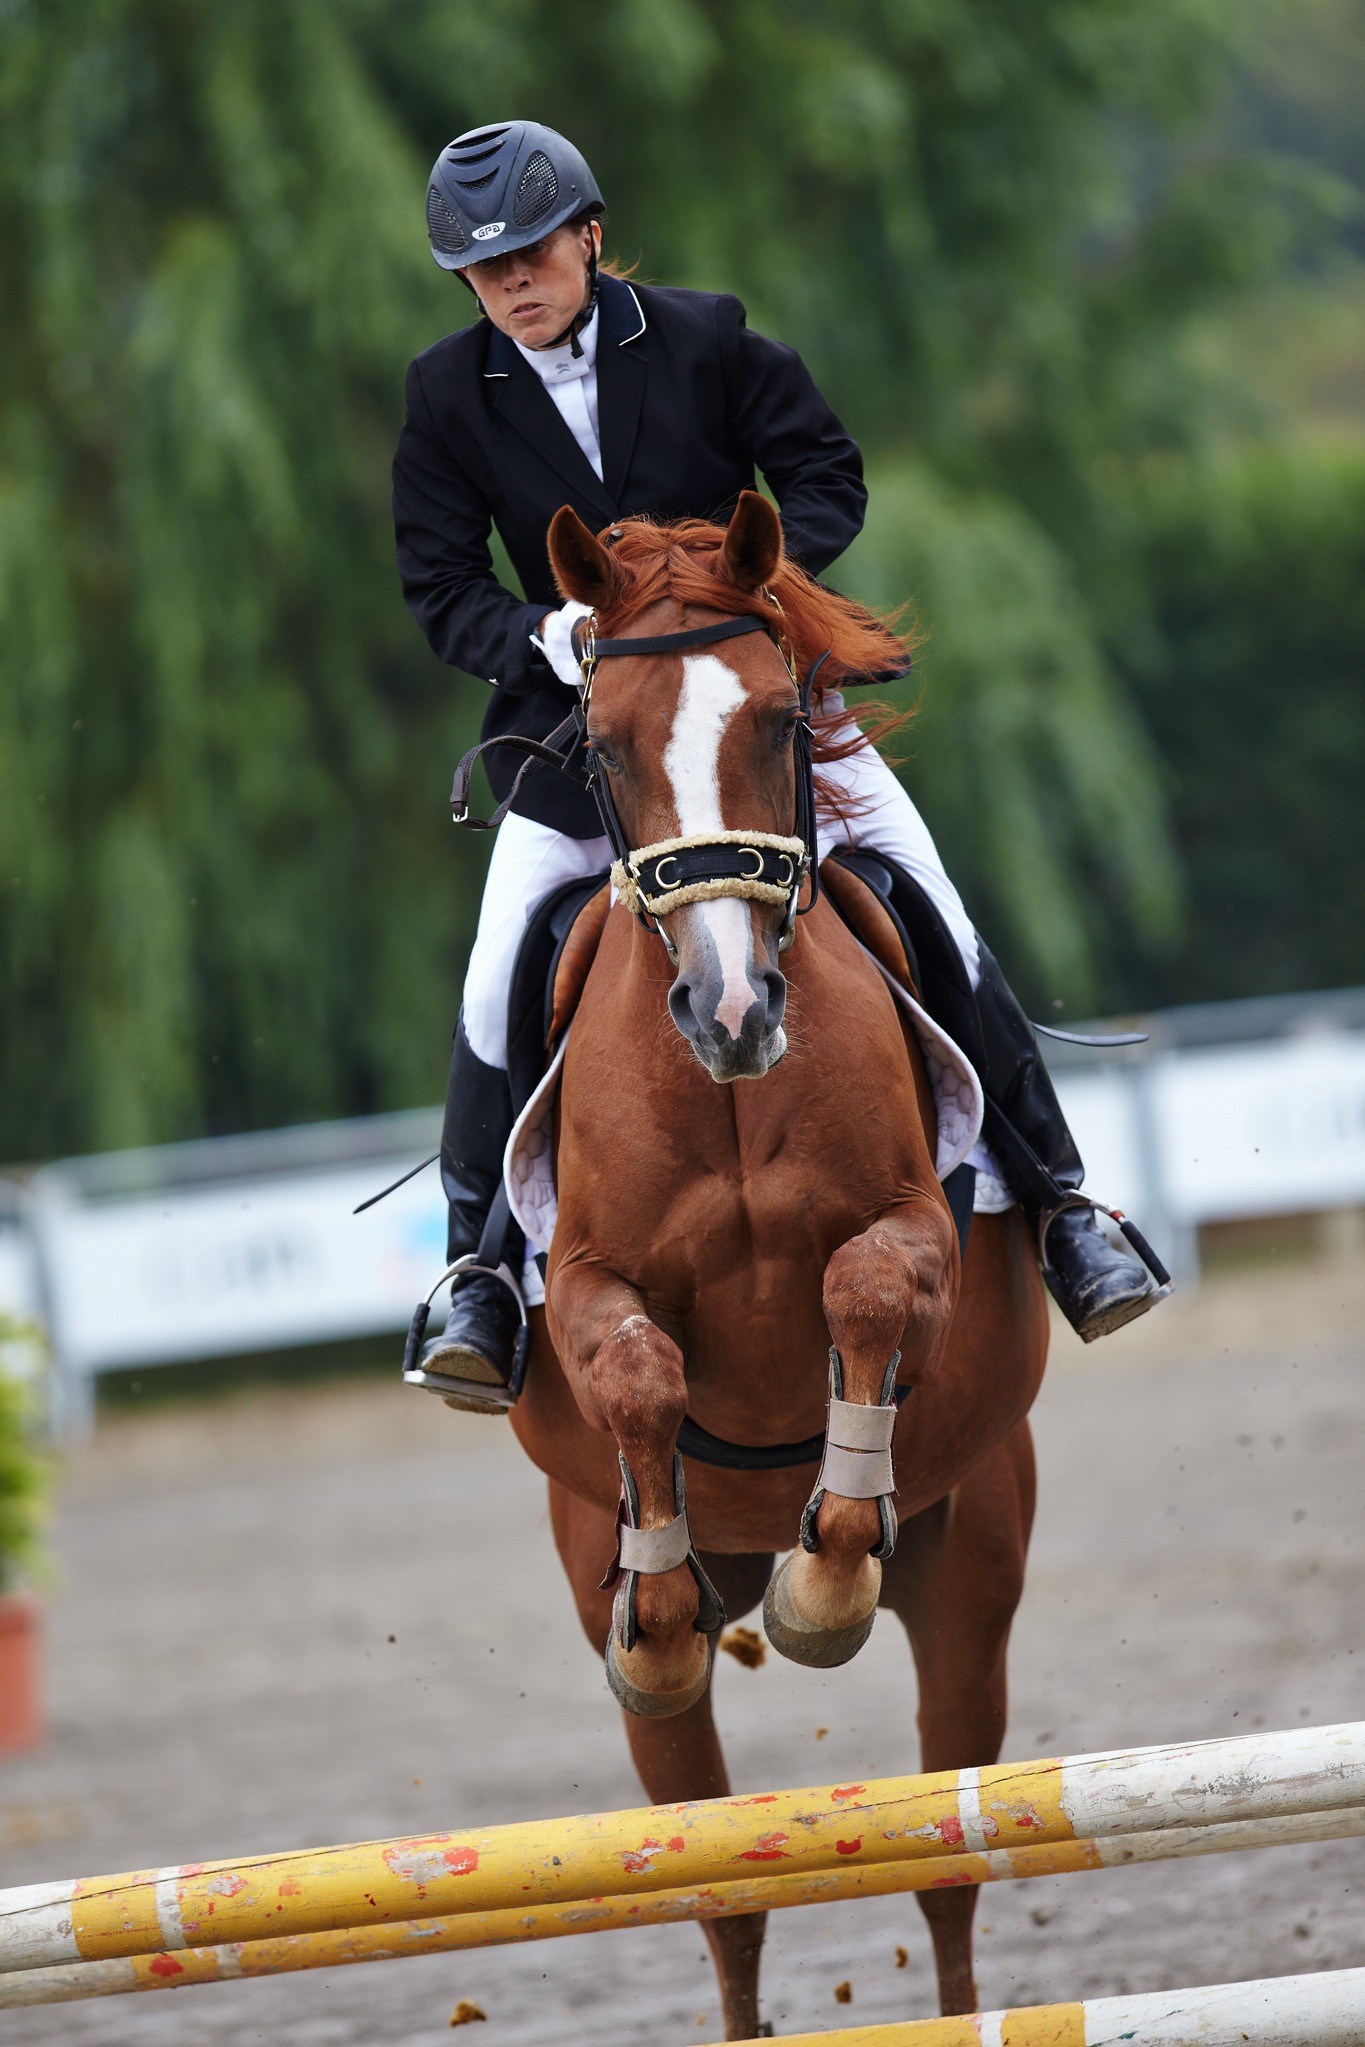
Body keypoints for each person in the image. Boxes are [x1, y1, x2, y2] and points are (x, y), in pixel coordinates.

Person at [392, 120, 1162, 1405]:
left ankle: (1067, 1206)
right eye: (484, 272)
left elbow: (826, 474)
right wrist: (546, 629)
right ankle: (478, 1269)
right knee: (496, 967)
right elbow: (438, 584)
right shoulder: (444, 392)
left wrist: (745, 590)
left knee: (937, 910)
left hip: (760, 720)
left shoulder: (703, 334)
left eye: (530, 253)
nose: (513, 284)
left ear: (587, 236)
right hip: (593, 738)